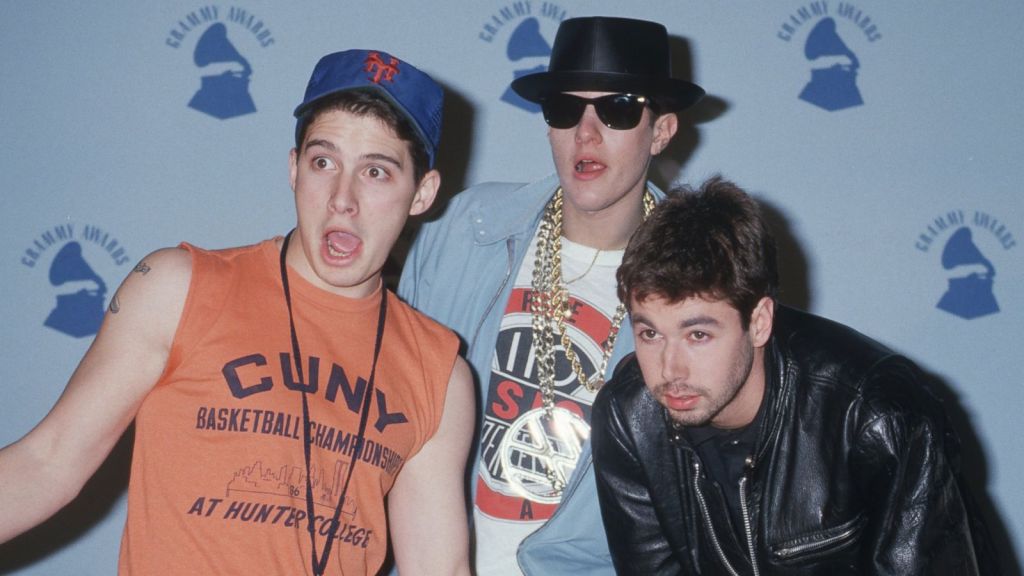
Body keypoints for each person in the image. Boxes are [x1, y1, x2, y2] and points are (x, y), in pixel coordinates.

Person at [0, 49, 474, 576]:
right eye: (324, 162)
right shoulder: (177, 287)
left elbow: (440, 567)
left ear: (422, 193)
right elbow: (47, 463)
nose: (343, 198)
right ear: (293, 169)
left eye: (377, 173)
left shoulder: (439, 371)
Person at [399, 16, 704, 575]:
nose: (585, 134)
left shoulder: (701, 285)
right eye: (565, 109)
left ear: (660, 131)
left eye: (617, 109)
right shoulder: (469, 229)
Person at [591, 177, 991, 574]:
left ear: (759, 321)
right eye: (650, 334)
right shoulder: (629, 417)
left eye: (698, 335)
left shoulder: (877, 415)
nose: (669, 369)